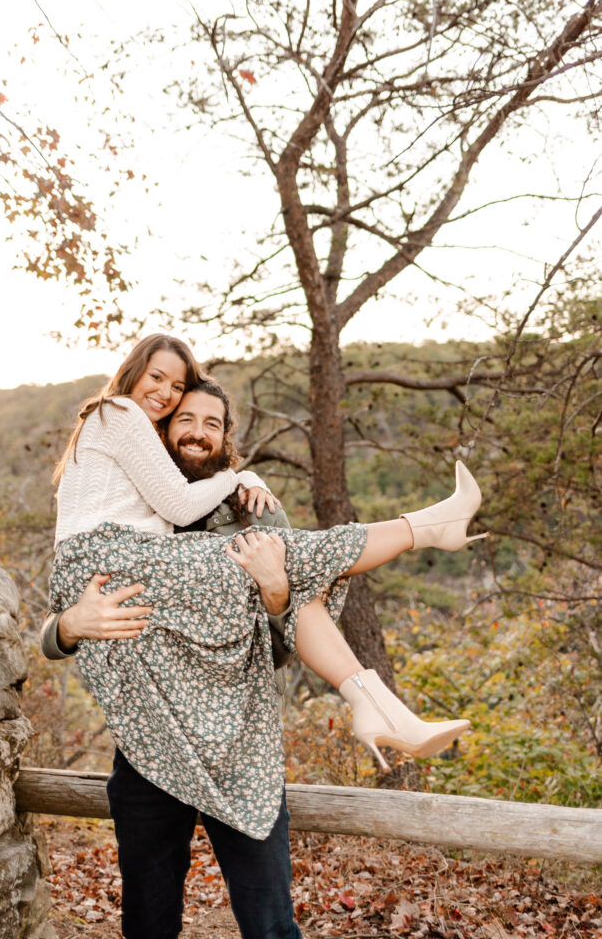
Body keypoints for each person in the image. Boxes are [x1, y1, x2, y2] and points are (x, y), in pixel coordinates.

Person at [48, 333, 484, 849]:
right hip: (108, 561)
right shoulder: (117, 413)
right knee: (277, 556)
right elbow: (181, 506)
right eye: (157, 377)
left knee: (278, 565)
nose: (165, 393)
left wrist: (272, 585)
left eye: (178, 385)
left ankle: (377, 704)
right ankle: (428, 527)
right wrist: (240, 475)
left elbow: (267, 625)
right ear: (133, 372)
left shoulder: (190, 474)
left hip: (116, 575)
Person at [41, 380, 301, 939]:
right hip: (148, 750)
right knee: (148, 921)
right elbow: (58, 620)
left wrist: (277, 597)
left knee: (270, 924)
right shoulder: (131, 511)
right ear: (161, 429)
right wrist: (66, 626)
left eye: (213, 423)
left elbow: (281, 648)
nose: (198, 432)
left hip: (240, 747)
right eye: (186, 419)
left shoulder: (253, 514)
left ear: (226, 436)